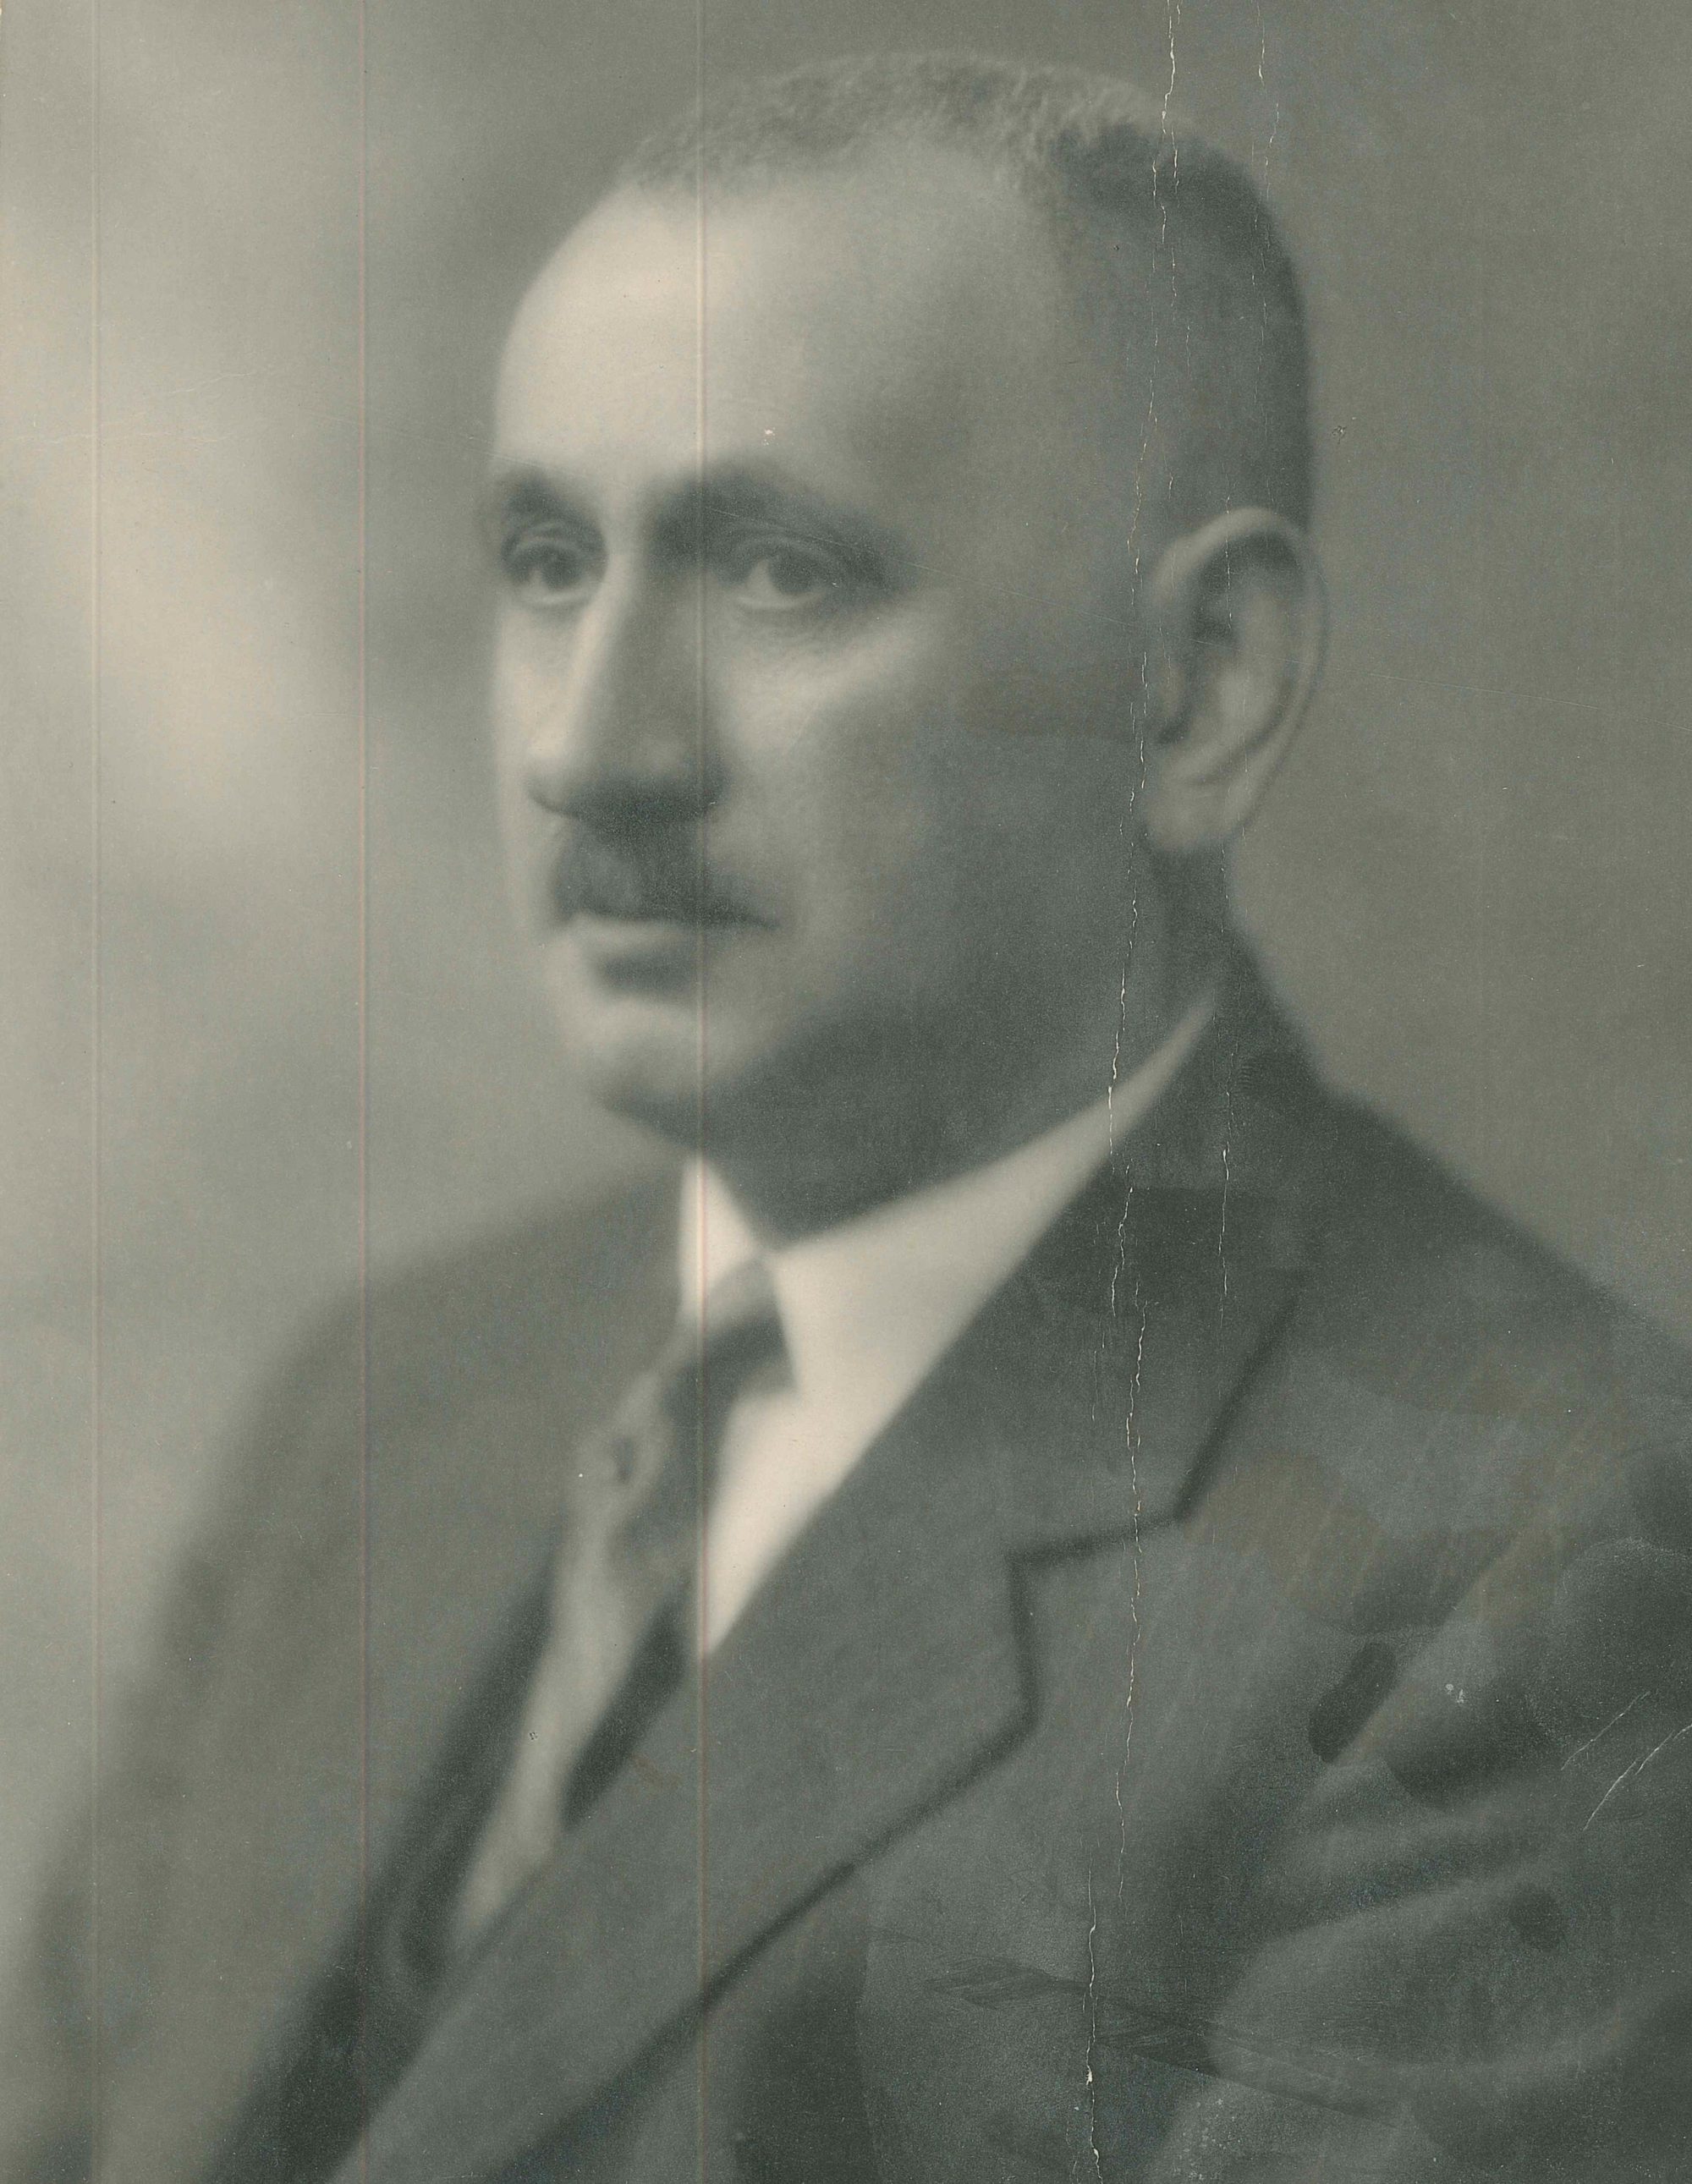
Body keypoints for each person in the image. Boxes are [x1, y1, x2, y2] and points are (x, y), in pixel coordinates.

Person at [9, 50, 1692, 2184]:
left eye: (780, 571)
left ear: (1194, 687)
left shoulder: (1548, 1569)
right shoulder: (381, 1408)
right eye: (547, 560)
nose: (594, 748)